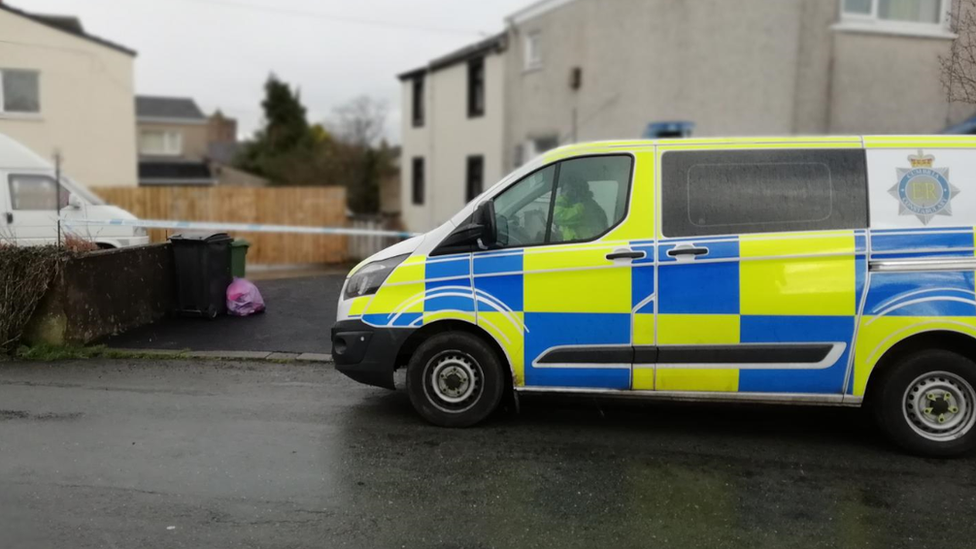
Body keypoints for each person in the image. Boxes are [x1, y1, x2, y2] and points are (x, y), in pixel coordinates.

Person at [553, 175, 608, 242]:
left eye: (567, 190)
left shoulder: (583, 208)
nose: (564, 193)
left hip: (585, 249)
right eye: (564, 190)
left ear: (576, 191)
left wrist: (563, 198)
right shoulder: (583, 206)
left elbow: (557, 217)